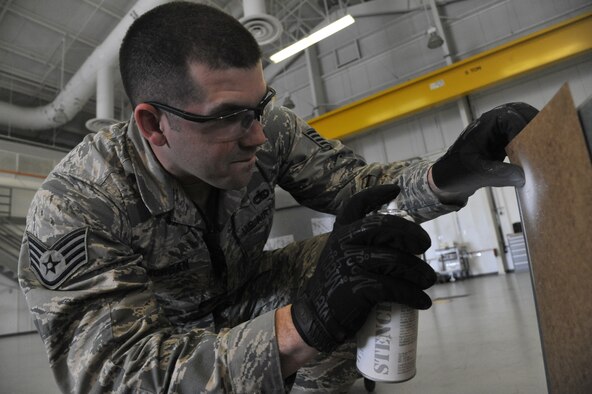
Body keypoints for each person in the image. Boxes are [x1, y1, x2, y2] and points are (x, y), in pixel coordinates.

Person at [18, 2, 538, 393]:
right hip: (167, 337)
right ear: (154, 123)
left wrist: (448, 174)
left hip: (243, 295)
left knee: (344, 258)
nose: (259, 136)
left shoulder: (266, 127)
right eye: (229, 117)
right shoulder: (79, 202)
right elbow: (116, 376)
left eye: (260, 105)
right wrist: (303, 325)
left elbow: (356, 187)